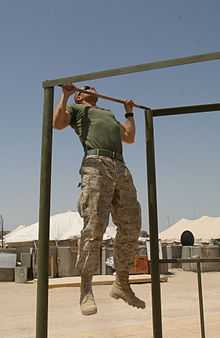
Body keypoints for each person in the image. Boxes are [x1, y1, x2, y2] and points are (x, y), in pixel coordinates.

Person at [53, 84, 145, 315]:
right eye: (85, 87)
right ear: (81, 95)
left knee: (132, 225)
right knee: (94, 226)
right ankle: (86, 290)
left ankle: (121, 282)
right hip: (96, 164)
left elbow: (129, 137)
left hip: (120, 166)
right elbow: (57, 123)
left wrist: (129, 113)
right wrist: (65, 95)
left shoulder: (108, 113)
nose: (91, 87)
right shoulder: (77, 109)